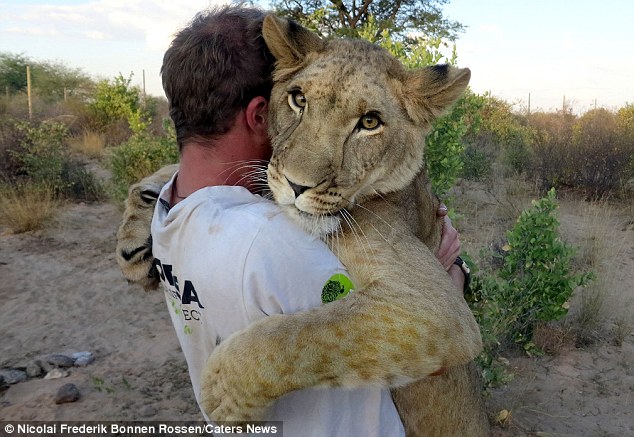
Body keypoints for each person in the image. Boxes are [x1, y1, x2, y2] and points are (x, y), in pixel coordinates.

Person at [151, 4, 466, 436]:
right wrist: (451, 273)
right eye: (298, 100)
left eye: (368, 121)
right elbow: (436, 319)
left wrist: (255, 363)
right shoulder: (271, 243)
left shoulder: (171, 208)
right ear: (260, 112)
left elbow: (441, 327)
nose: (302, 174)